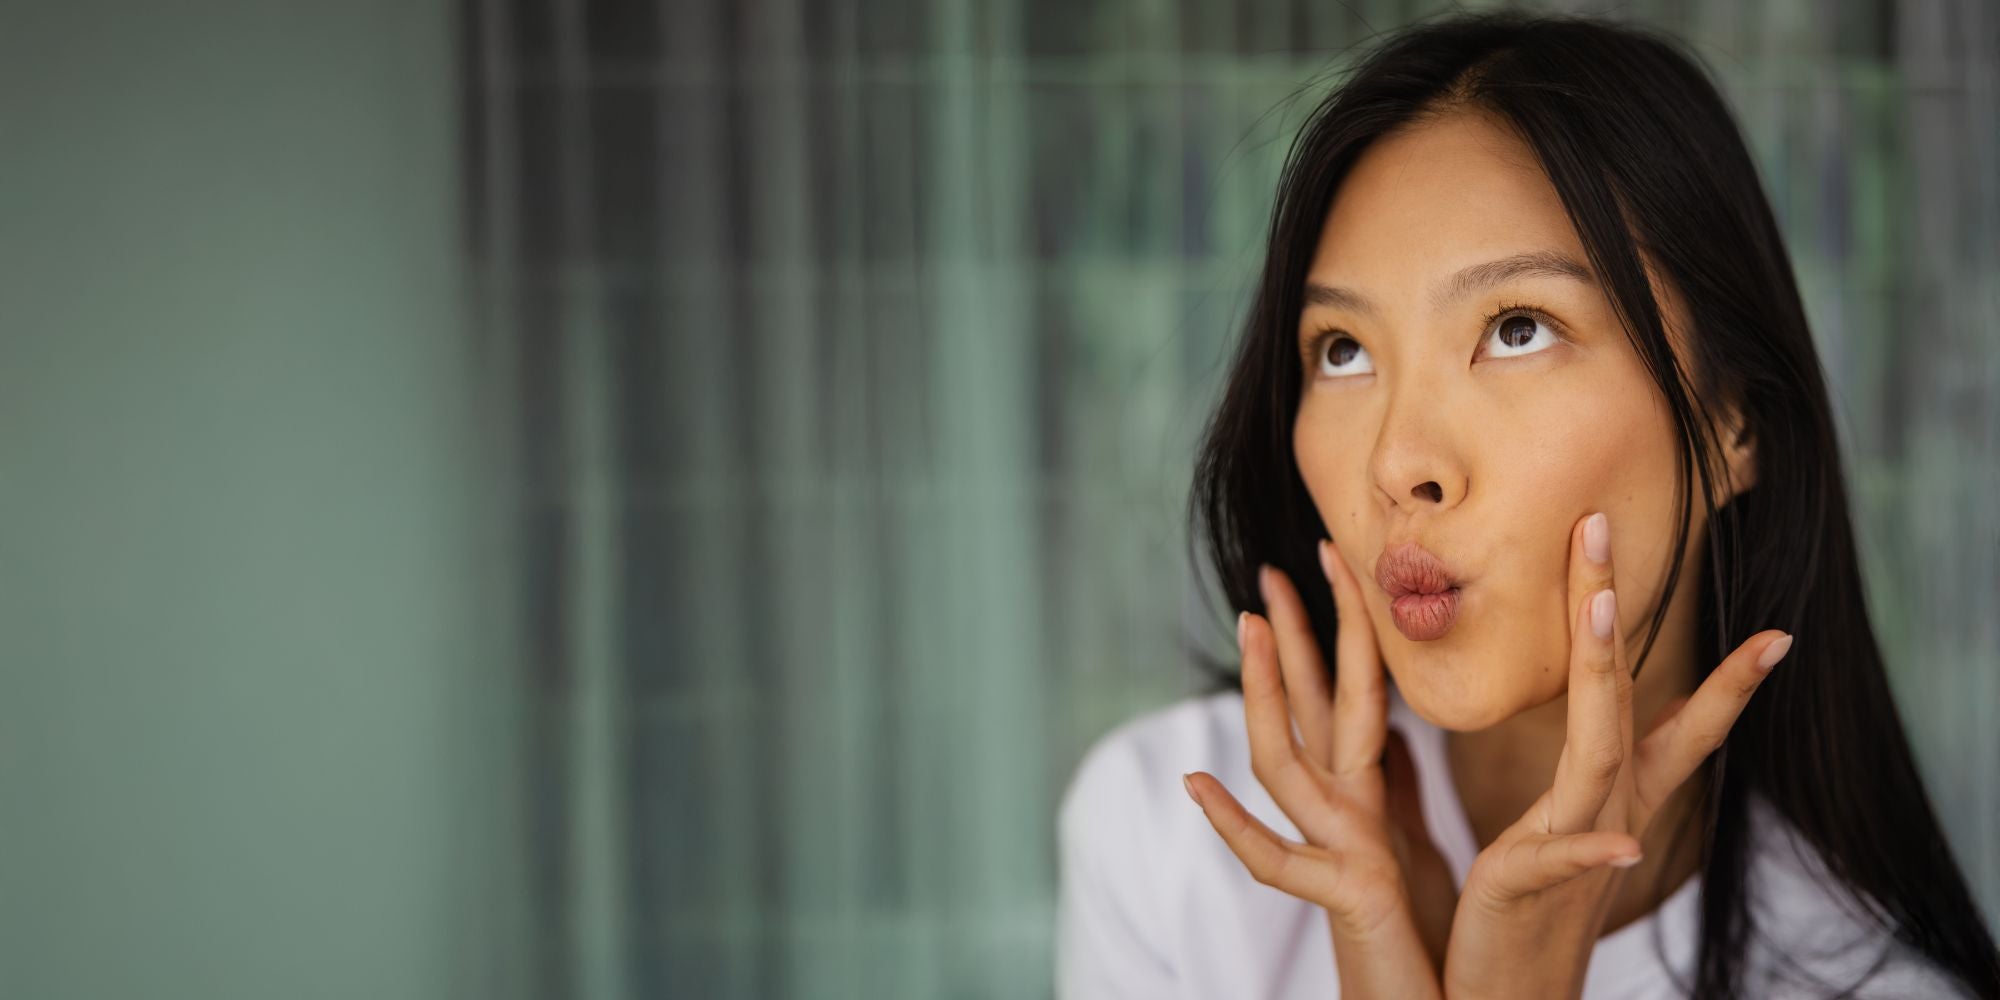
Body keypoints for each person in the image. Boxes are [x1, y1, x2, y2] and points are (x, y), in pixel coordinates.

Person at [1053, 10, 2000, 999]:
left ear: (1735, 422)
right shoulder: (1172, 844)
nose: (1398, 464)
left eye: (1516, 329)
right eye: (1342, 349)